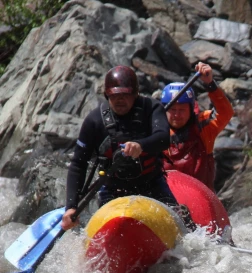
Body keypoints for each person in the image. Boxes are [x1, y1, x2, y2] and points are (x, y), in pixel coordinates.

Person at [61, 65, 189, 231]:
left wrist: (141, 145)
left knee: (181, 227)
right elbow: (78, 164)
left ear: (135, 94)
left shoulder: (151, 108)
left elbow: (163, 139)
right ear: (107, 94)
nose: (120, 99)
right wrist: (71, 206)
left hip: (152, 185)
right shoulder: (94, 121)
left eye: (125, 94)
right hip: (113, 190)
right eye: (115, 95)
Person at [161, 62, 234, 191]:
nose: (177, 115)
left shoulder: (203, 126)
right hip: (167, 199)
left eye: (182, 110)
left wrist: (210, 84)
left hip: (200, 197)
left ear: (190, 109)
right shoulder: (156, 130)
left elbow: (226, 113)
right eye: (173, 110)